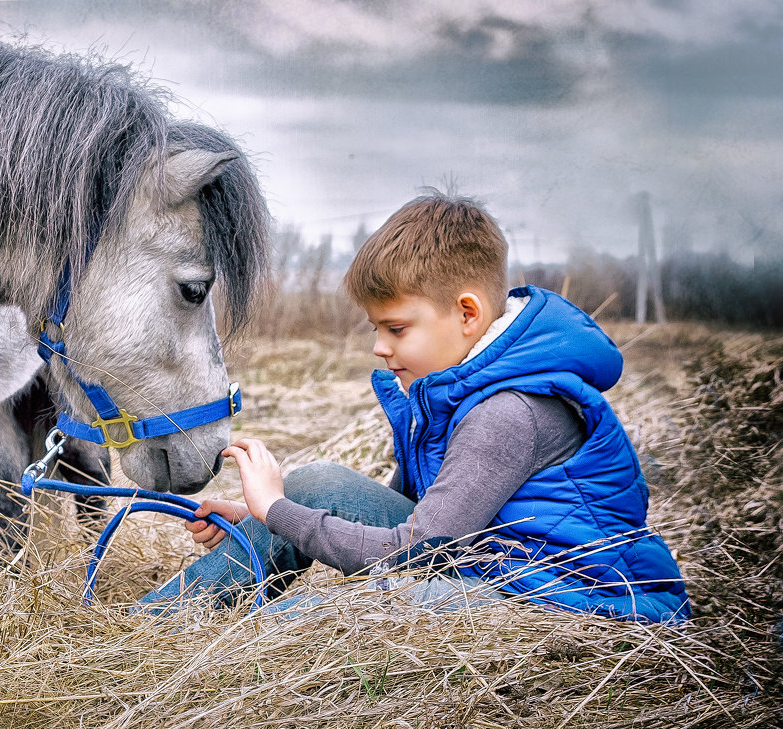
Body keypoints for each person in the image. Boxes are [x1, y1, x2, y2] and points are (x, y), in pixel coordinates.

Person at [137, 192, 690, 623]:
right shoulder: (455, 385)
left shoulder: (508, 413)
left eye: (396, 328)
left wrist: (277, 513)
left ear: (467, 314)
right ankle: (154, 627)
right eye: (376, 328)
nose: (379, 346)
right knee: (320, 481)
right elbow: (411, 508)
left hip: (571, 597)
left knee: (311, 622)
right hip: (487, 561)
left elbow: (414, 552)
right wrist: (263, 519)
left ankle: (211, 653)